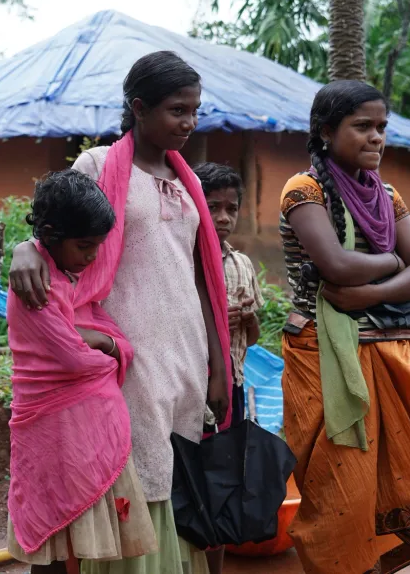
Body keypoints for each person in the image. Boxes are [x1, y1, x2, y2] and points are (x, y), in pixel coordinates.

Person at [9, 51, 233, 574]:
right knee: (132, 471)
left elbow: (202, 277)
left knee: (178, 474)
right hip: (121, 352)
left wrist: (219, 365)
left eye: (196, 111)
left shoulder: (189, 181)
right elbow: (56, 223)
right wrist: (24, 247)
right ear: (138, 107)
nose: (189, 122)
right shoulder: (99, 165)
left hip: (185, 351)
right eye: (178, 110)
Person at [278, 80, 410, 573]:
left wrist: (370, 291)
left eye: (381, 127)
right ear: (325, 131)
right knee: (337, 487)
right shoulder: (304, 190)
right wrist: (393, 261)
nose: (376, 137)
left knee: (385, 488)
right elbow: (336, 266)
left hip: (392, 352)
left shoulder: (390, 195)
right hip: (323, 357)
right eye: (362, 127)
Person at [6, 170, 157, 573]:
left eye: (98, 247)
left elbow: (85, 339)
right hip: (54, 430)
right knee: (55, 541)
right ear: (51, 235)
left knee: (71, 543)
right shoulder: (36, 285)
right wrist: (110, 345)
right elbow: (75, 360)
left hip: (80, 431)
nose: (92, 257)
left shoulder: (71, 276)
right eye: (85, 246)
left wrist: (97, 338)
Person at [193, 162, 264, 574]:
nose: (222, 217)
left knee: (223, 481)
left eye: (230, 208)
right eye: (213, 206)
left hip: (231, 386)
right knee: (193, 476)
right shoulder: (185, 261)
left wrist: (244, 321)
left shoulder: (241, 265)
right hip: (192, 386)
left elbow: (252, 336)